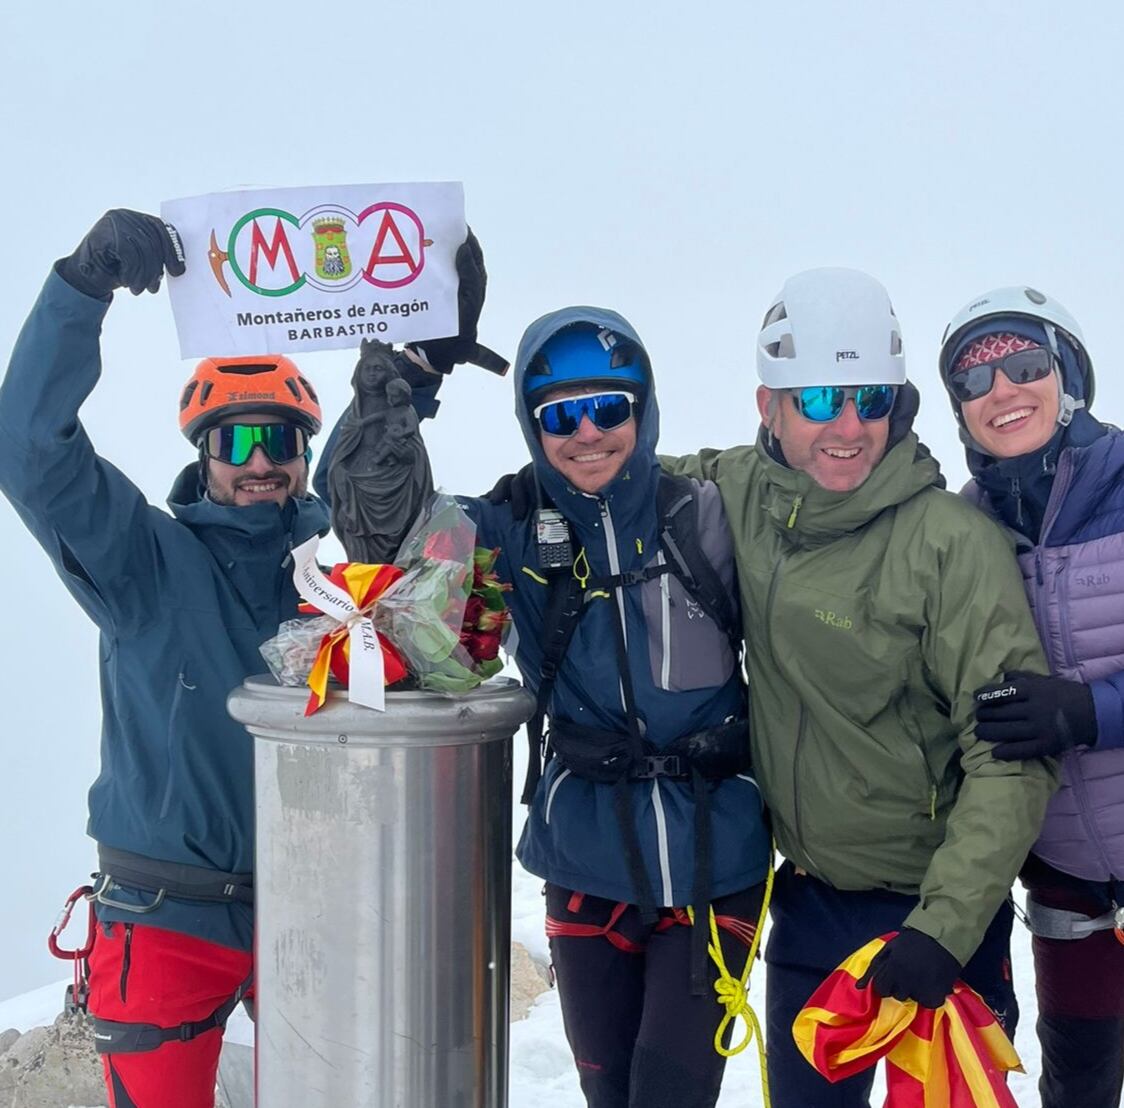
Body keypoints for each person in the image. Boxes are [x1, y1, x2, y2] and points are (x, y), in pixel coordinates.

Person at [0, 209, 488, 1108]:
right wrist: (83, 285)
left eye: (282, 440)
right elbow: (28, 450)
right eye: (236, 441)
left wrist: (416, 367)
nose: (261, 462)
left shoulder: (343, 575)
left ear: (306, 453)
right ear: (204, 454)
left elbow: (377, 468)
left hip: (320, 903)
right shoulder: (140, 559)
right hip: (166, 912)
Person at [316, 309, 772, 1108]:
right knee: (608, 1096)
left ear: (644, 408)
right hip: (584, 857)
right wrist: (406, 387)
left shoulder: (705, 515)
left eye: (609, 408)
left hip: (715, 856)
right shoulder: (504, 526)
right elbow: (379, 533)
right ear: (533, 425)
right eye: (559, 415)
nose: (587, 433)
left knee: (670, 1094)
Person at [661, 267, 1057, 1107]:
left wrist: (943, 933)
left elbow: (1011, 758)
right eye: (817, 401)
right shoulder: (738, 493)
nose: (849, 427)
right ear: (767, 407)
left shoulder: (952, 544)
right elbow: (604, 469)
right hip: (810, 908)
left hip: (936, 917)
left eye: (871, 398)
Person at [938, 286, 1124, 1108]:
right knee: (1077, 1078)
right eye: (975, 381)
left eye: (1025, 364)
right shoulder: (967, 524)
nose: (1002, 390)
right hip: (1063, 881)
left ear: (1069, 374)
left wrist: (1090, 712)